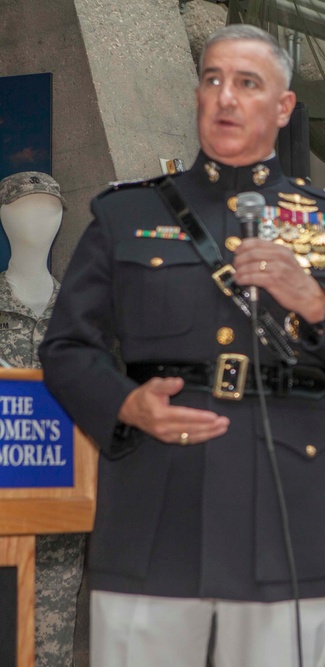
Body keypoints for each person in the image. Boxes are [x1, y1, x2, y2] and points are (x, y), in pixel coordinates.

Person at [39, 24, 325, 667]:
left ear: (283, 106)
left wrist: (318, 301)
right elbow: (67, 347)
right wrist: (127, 407)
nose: (226, 97)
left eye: (248, 83)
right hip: (155, 513)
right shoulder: (124, 216)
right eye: (213, 80)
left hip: (289, 523)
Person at [0, 171, 85, 667]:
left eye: (50, 209)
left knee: (52, 649)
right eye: (24, 208)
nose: (39, 221)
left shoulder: (82, 313)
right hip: (1, 508)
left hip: (60, 510)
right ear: (3, 216)